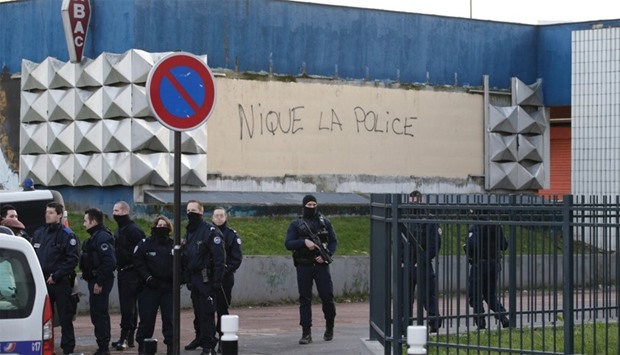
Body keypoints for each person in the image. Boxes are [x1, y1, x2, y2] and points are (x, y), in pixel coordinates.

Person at [285, 194, 338, 345]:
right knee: (305, 299)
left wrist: (326, 255)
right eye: (309, 205)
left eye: (314, 205)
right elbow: (288, 243)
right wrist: (304, 242)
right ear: (303, 206)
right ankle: (306, 333)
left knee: (327, 297)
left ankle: (329, 325)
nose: (312, 208)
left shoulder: (325, 223)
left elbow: (333, 242)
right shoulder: (296, 224)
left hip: (321, 266)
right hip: (304, 265)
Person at [31, 202, 80, 355]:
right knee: (45, 318)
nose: (47, 215)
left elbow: (72, 260)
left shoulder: (67, 235)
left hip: (60, 282)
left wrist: (56, 275)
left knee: (65, 318)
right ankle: (47, 347)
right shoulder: (40, 233)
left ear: (59, 215)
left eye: (51, 212)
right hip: (43, 282)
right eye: (47, 212)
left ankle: (68, 348)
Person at [182, 200, 226, 355]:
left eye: (193, 210)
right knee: (198, 312)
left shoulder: (210, 231)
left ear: (201, 212)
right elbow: (186, 256)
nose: (190, 213)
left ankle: (208, 346)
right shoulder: (190, 232)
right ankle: (200, 338)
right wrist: (187, 278)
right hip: (194, 279)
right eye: (188, 210)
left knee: (207, 313)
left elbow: (220, 259)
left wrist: (217, 281)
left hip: (206, 279)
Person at [400, 190, 442, 332]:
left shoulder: (429, 220)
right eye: (411, 201)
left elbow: (434, 245)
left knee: (427, 296)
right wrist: (401, 260)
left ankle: (433, 322)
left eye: (415, 201)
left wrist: (422, 260)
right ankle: (405, 324)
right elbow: (399, 241)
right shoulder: (404, 218)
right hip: (407, 263)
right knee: (406, 297)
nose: (412, 204)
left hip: (422, 264)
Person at [134, 216, 174, 354]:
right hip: (150, 288)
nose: (161, 227)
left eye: (164, 225)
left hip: (168, 288)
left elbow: (182, 264)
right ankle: (143, 348)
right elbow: (138, 263)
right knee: (147, 319)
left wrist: (178, 280)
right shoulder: (145, 244)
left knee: (170, 320)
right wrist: (148, 278)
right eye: (159, 224)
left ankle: (171, 347)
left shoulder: (174, 245)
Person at [80, 207, 117, 355]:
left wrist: (99, 282)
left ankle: (103, 347)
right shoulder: (95, 236)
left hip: (100, 281)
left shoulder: (102, 237)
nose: (83, 224)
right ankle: (102, 345)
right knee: (97, 314)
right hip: (95, 280)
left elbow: (110, 262)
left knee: (99, 314)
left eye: (85, 221)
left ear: (93, 221)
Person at [465, 211, 510, 330]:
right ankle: (503, 317)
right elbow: (504, 245)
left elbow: (470, 245)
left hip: (479, 264)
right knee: (490, 294)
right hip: (493, 264)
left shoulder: (475, 228)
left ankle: (480, 322)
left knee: (475, 294)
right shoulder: (496, 226)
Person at [111, 201, 145, 350]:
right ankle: (129, 337)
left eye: (117, 210)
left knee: (128, 307)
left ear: (125, 212)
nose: (114, 213)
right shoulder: (120, 230)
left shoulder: (133, 230)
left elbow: (142, 251)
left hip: (132, 273)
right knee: (129, 307)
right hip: (123, 271)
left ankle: (125, 337)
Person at [211, 207, 243, 351]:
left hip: (225, 278)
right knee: (204, 309)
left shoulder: (231, 235)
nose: (218, 218)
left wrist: (224, 271)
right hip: (208, 277)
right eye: (216, 215)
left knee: (222, 309)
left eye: (221, 215)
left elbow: (236, 258)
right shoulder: (206, 233)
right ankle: (204, 338)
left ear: (225, 217)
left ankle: (223, 338)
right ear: (212, 218)